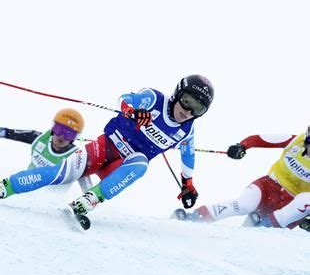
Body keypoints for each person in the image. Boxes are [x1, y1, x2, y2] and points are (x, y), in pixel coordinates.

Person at [0, 75, 214, 218]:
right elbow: (124, 98)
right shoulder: (154, 98)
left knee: (141, 164)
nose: (188, 112)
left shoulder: (187, 130)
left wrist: (188, 184)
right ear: (178, 93)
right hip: (105, 148)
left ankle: (89, 200)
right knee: (58, 174)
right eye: (187, 102)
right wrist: (131, 111)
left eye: (198, 109)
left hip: (121, 166)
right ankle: (6, 187)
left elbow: (188, 155)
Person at [174, 127, 310, 230]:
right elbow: (259, 139)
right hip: (268, 188)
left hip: (291, 206)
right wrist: (241, 146)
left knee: (306, 199)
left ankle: (264, 227)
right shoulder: (295, 140)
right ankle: (194, 218)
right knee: (244, 204)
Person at [0, 108, 92, 193]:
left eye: (69, 134)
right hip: (27, 190)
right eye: (59, 129)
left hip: (49, 204)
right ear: (53, 129)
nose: (62, 136)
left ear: (75, 137)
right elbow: (7, 132)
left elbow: (89, 190)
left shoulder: (77, 158)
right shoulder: (39, 138)